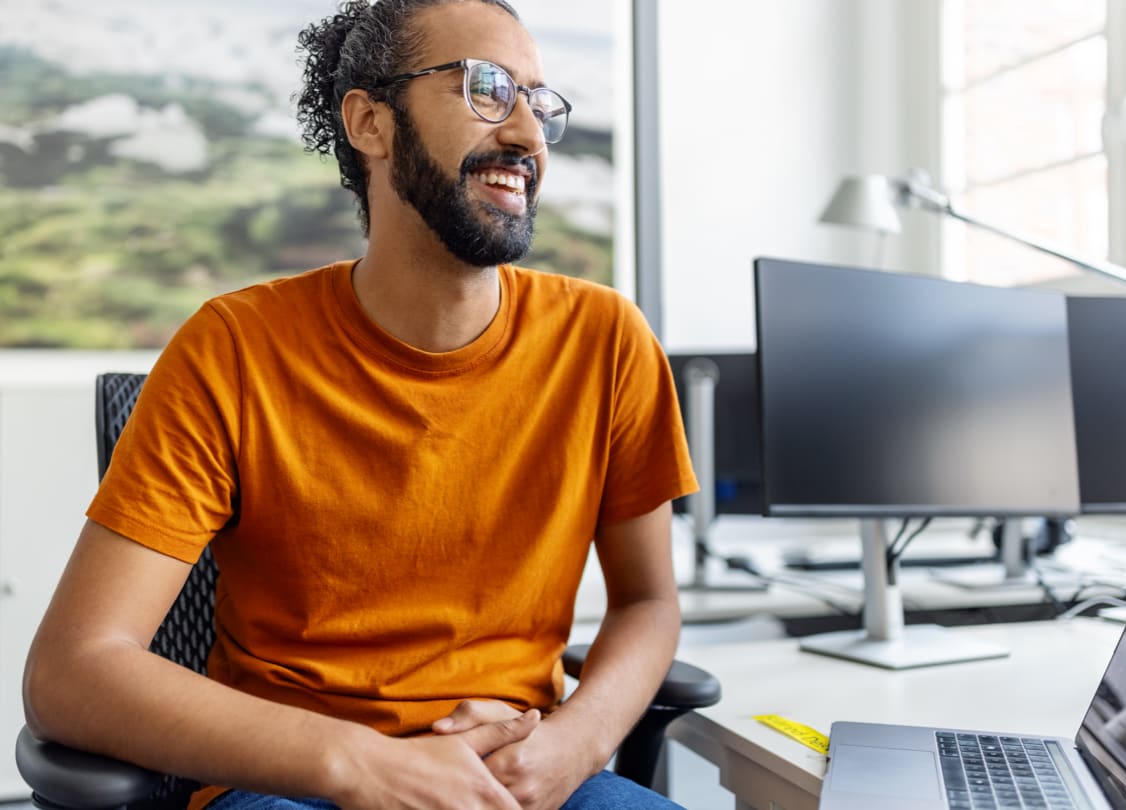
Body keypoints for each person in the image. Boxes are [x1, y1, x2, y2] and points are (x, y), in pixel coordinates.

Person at [22, 1, 697, 808]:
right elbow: (72, 668)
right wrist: (358, 761)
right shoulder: (233, 347)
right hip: (297, 785)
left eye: (538, 102)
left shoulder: (607, 340)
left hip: (520, 777)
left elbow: (650, 602)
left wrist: (574, 744)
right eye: (487, 88)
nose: (527, 133)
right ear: (370, 122)